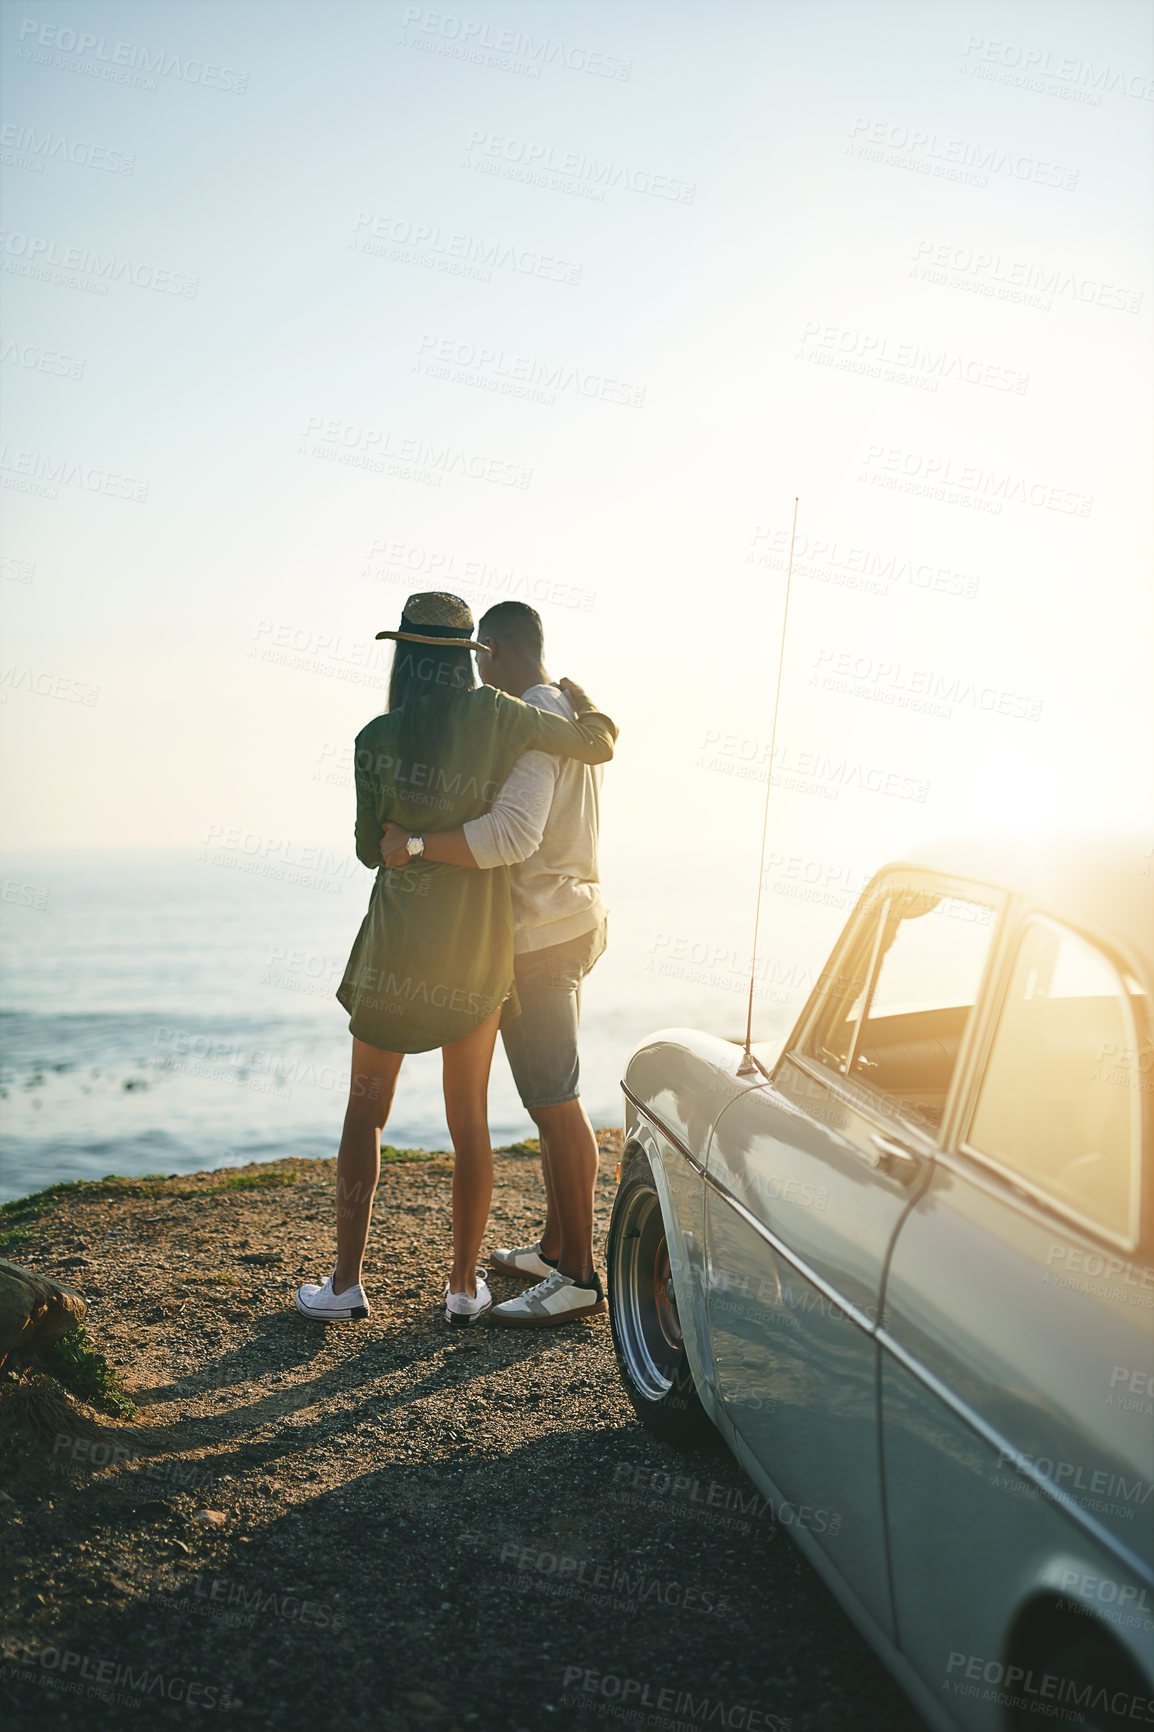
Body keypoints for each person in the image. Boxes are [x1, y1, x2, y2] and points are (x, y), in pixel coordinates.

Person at [295, 592, 617, 1329]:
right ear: (472, 657)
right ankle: (463, 1287)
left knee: (365, 1115)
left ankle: (346, 1284)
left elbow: (361, 849)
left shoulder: (375, 734)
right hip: (476, 951)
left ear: (404, 655)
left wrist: (405, 839)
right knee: (468, 1121)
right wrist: (579, 697)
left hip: (394, 948)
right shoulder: (502, 720)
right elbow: (592, 743)